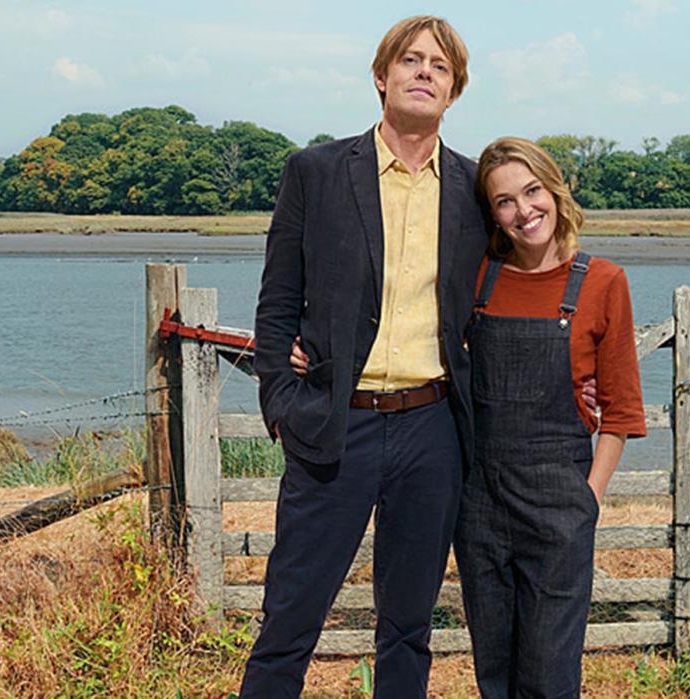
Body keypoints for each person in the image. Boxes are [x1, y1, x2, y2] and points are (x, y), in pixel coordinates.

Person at [240, 16, 489, 698]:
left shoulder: (473, 188)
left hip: (431, 428)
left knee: (409, 625)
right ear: (381, 77)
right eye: (410, 60)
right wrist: (283, 407)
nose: (424, 73)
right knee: (290, 618)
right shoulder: (316, 173)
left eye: (440, 67)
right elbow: (276, 304)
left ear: (453, 91)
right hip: (333, 423)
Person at [454, 137, 645, 697]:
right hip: (480, 503)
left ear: (555, 189)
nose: (524, 210)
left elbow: (621, 409)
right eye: (505, 201)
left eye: (532, 191)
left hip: (559, 503)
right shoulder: (477, 279)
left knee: (549, 675)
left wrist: (588, 498)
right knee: (494, 669)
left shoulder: (603, 281)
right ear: (492, 214)